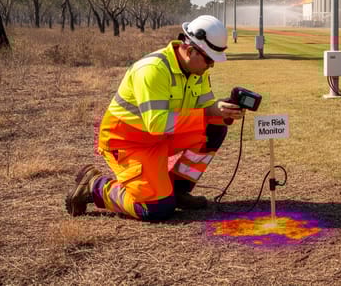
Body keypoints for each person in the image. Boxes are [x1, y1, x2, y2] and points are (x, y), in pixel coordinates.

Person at [66, 15, 244, 221]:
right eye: (209, 59)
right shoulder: (152, 70)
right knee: (156, 209)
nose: (211, 65)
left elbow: (204, 108)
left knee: (215, 127)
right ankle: (96, 186)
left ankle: (177, 190)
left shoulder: (198, 71)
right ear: (190, 50)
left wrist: (221, 111)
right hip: (128, 142)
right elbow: (157, 123)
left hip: (161, 138)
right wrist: (207, 113)